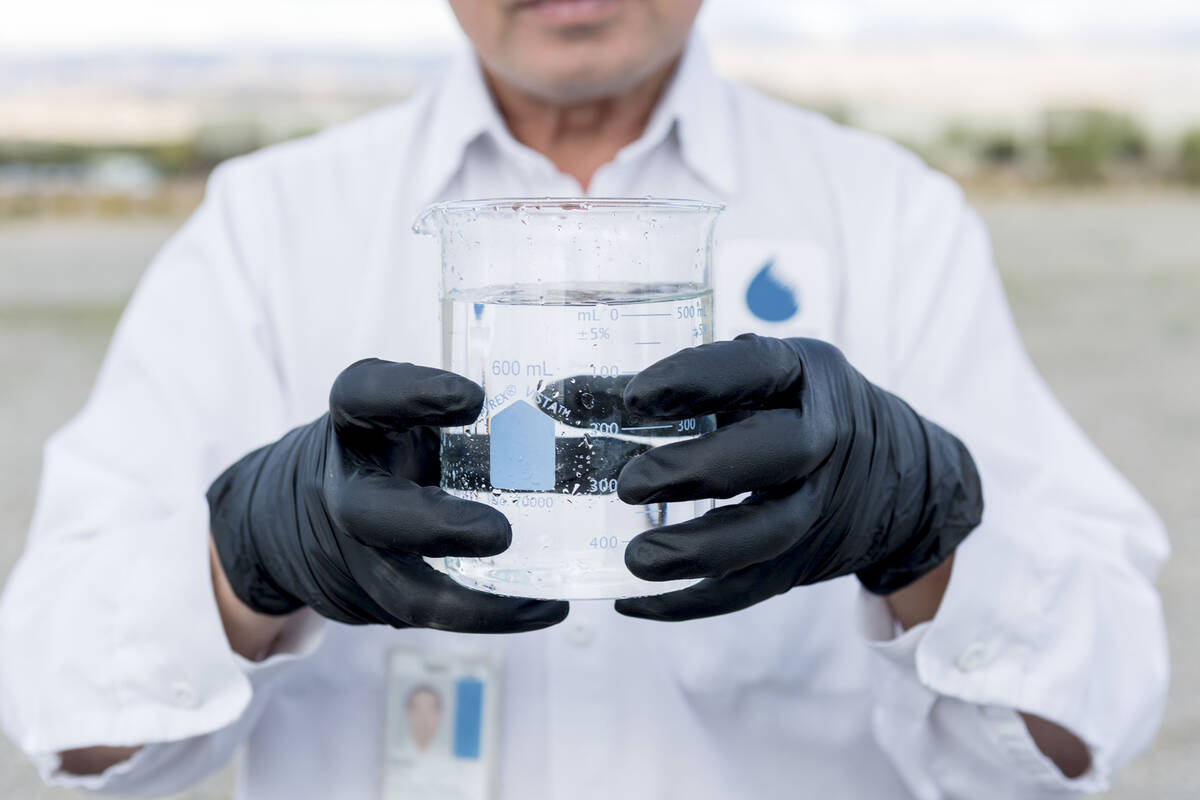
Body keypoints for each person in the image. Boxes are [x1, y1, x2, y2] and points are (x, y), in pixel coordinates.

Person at [0, 0, 1168, 798]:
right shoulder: (267, 227)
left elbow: (1084, 727)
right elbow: (66, 714)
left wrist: (929, 536)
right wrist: (240, 560)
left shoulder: (893, 221)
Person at [406, 686, 444, 754]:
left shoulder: (445, 754)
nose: (423, 718)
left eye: (430, 710)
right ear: (408, 714)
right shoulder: (397, 751)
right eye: (418, 710)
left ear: (439, 715)